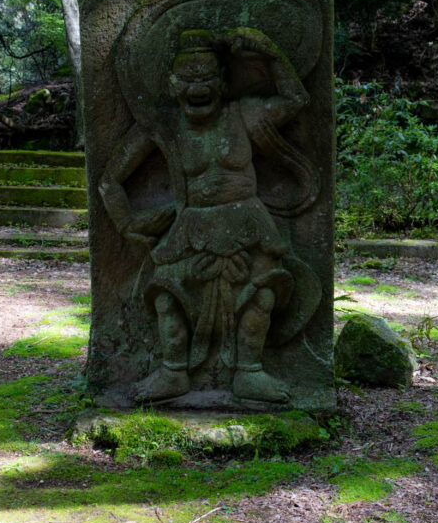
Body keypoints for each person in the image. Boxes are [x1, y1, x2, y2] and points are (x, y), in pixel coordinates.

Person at [99, 27, 316, 403]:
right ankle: (173, 371)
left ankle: (250, 371)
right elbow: (110, 180)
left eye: (206, 78)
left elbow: (295, 99)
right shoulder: (165, 127)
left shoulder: (244, 114)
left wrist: (269, 50)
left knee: (262, 293)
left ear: (223, 81)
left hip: (249, 222)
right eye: (186, 79)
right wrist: (126, 223)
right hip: (191, 227)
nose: (196, 88)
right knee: (166, 295)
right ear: (170, 84)